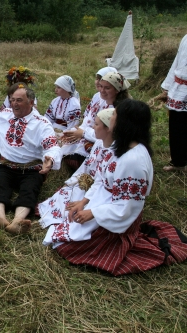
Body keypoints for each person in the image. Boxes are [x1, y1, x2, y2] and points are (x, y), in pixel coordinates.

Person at [44, 100, 187, 276]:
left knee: (68, 247)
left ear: (125, 123)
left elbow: (127, 207)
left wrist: (93, 213)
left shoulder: (133, 162)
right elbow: (101, 178)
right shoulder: (118, 146)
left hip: (116, 214)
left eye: (115, 116)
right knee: (64, 229)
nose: (111, 118)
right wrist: (84, 201)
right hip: (104, 202)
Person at [0, 87, 62, 234]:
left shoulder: (41, 123)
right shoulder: (4, 115)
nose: (14, 104)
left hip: (30, 169)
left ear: (31, 102)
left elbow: (52, 146)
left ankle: (18, 221)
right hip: (5, 165)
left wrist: (50, 158)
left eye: (19, 100)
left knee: (30, 189)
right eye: (12, 100)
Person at [38, 108, 115, 231]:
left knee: (73, 210)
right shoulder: (99, 143)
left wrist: (86, 197)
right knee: (63, 196)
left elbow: (102, 179)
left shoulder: (114, 152)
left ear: (108, 128)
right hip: (86, 181)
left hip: (96, 190)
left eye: (96, 124)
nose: (93, 127)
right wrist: (74, 180)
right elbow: (87, 165)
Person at [61, 67, 117, 170]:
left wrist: (83, 134)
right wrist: (75, 132)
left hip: (99, 137)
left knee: (76, 158)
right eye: (97, 79)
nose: (98, 83)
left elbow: (109, 134)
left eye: (105, 84)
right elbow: (87, 120)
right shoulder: (97, 96)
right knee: (61, 142)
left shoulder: (115, 106)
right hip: (87, 133)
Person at [160, 34, 187, 171]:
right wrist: (167, 86)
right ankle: (179, 162)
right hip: (179, 89)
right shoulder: (185, 38)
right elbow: (177, 62)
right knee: (177, 126)